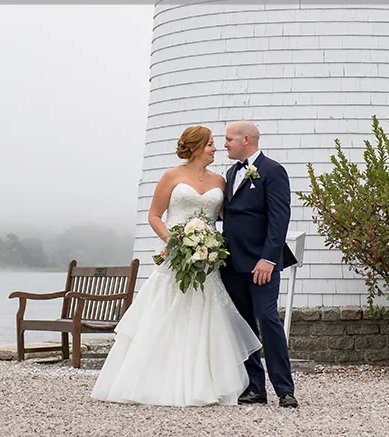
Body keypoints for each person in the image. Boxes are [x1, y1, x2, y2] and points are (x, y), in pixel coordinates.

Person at [91, 125, 262, 406]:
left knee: (204, 315)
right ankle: (156, 381)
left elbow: (230, 218)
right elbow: (155, 215)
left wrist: (213, 244)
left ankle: (204, 383)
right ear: (195, 147)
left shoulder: (220, 180)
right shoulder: (171, 176)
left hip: (207, 259)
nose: (215, 148)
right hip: (177, 256)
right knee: (168, 313)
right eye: (209, 144)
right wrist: (174, 241)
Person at [221, 120, 300, 408]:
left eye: (228, 139)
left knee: (267, 319)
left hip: (261, 264)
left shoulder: (273, 170)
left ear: (245, 139)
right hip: (231, 265)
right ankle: (255, 387)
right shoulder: (230, 173)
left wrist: (268, 258)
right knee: (242, 325)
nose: (224, 144)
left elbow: (280, 219)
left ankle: (284, 389)